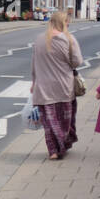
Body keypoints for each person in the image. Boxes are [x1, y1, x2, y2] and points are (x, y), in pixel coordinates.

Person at [30, 10, 82, 160]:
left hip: (43, 88)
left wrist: (33, 83)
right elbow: (76, 61)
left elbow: (34, 65)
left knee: (49, 122)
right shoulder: (68, 39)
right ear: (63, 23)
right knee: (65, 120)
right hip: (63, 87)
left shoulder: (39, 39)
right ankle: (62, 146)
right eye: (67, 23)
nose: (68, 26)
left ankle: (53, 150)